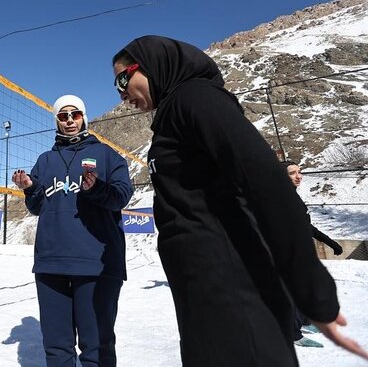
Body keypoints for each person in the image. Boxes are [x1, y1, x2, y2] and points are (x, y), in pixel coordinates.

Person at [111, 35, 367, 365]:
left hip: (232, 285)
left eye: (123, 79)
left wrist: (310, 284)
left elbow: (265, 179)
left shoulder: (196, 97)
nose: (120, 93)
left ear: (153, 65)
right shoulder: (172, 113)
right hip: (204, 288)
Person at [12, 94, 133, 367]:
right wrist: (30, 188)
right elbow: (37, 207)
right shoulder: (45, 160)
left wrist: (96, 189)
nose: (69, 120)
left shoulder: (106, 155)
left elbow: (121, 196)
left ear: (83, 117)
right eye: (63, 116)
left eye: (75, 114)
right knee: (56, 348)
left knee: (97, 347)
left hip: (96, 263)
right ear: (57, 120)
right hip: (51, 263)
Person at [282, 160, 343, 348]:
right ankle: (294, 334)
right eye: (292, 173)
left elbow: (305, 226)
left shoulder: (292, 195)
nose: (298, 176)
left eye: (299, 171)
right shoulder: (281, 198)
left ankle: (305, 320)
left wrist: (329, 242)